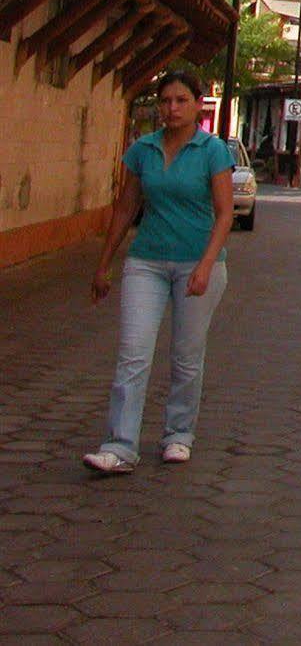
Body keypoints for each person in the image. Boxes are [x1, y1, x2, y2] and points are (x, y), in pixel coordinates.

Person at [83, 71, 235, 474]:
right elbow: (125, 208)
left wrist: (205, 265)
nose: (172, 108)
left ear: (198, 104)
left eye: (181, 100)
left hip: (197, 264)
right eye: (165, 101)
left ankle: (178, 435)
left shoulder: (213, 151)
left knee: (186, 357)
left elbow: (224, 215)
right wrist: (104, 264)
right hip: (146, 261)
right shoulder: (143, 150)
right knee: (133, 355)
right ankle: (119, 446)